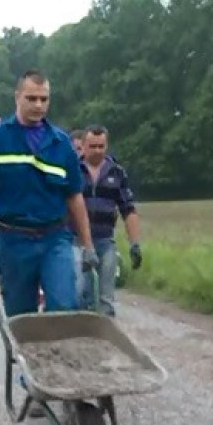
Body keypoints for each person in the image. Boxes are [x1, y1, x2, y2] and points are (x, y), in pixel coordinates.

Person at [0, 68, 98, 317]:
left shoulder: (62, 145)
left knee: (64, 307)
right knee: (21, 316)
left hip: (55, 238)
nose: (38, 105)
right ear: (17, 97)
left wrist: (88, 246)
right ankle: (26, 356)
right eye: (31, 98)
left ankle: (59, 356)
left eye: (44, 99)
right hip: (13, 240)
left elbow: (75, 198)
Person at [75, 125, 142, 316]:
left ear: (107, 146)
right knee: (78, 291)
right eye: (92, 146)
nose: (97, 151)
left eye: (101, 146)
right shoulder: (73, 170)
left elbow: (128, 209)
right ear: (84, 146)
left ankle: (104, 335)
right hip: (75, 240)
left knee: (106, 297)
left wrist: (135, 243)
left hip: (105, 241)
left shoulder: (117, 173)